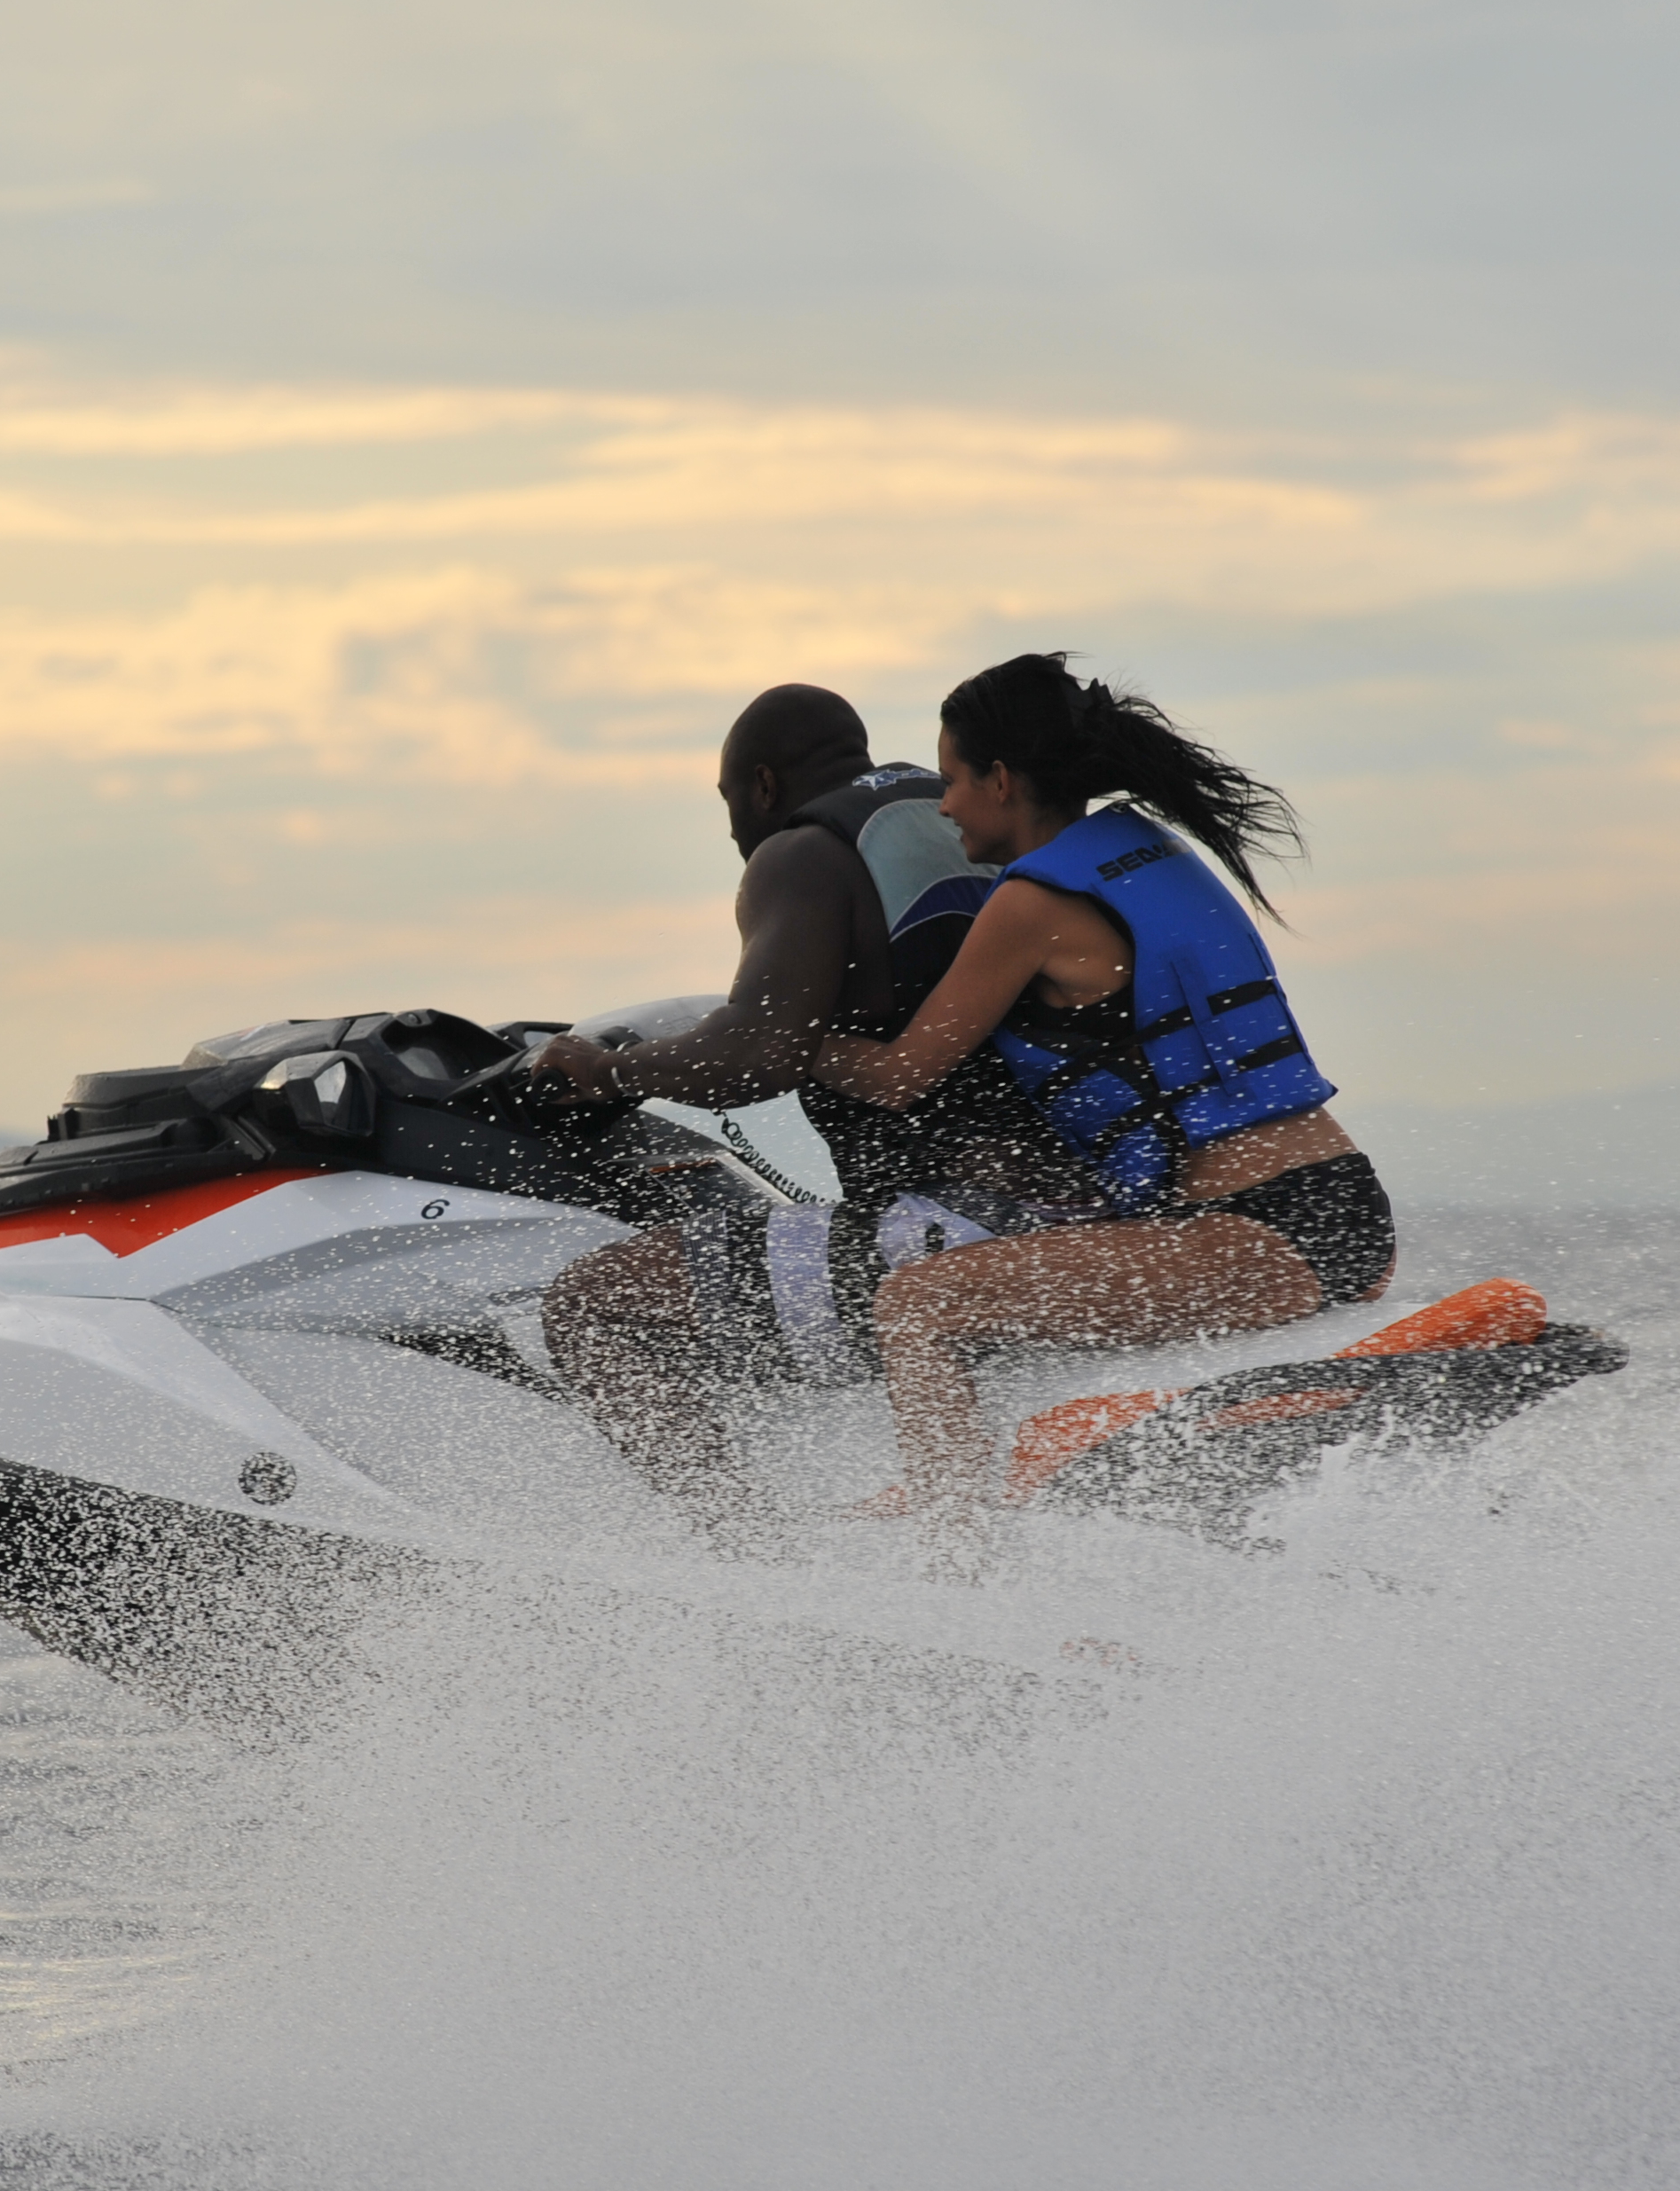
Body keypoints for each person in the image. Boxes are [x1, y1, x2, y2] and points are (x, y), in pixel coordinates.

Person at [809, 653, 1393, 1537]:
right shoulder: (1148, 853)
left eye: (953, 779)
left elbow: (901, 1076)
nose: (945, 806)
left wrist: (796, 1043)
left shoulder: (1029, 903)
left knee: (916, 1305)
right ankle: (987, 1492)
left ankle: (953, 1556)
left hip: (1256, 1228)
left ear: (1000, 780)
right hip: (1336, 1199)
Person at [534, 683, 1079, 1524]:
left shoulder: (801, 852)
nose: (732, 835)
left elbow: (755, 1054)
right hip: (1073, 1198)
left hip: (958, 1226)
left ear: (760, 786)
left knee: (593, 1304)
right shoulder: (953, 814)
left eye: (728, 804)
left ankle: (755, 1560)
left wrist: (605, 1073)